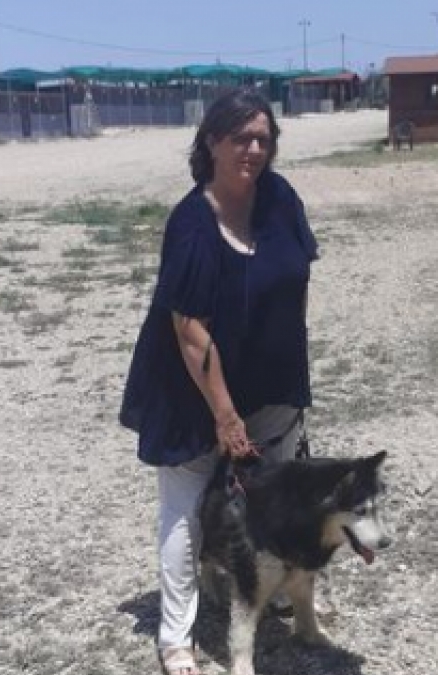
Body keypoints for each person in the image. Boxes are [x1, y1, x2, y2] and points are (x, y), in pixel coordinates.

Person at [120, 89, 318, 675]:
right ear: (211, 142)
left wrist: (292, 369)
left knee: (273, 498)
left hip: (271, 385)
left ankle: (272, 589)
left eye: (263, 139)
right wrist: (225, 417)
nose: (253, 150)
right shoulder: (192, 224)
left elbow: (298, 279)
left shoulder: (281, 199)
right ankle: (176, 638)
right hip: (192, 392)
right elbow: (190, 332)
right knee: (186, 511)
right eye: (240, 139)